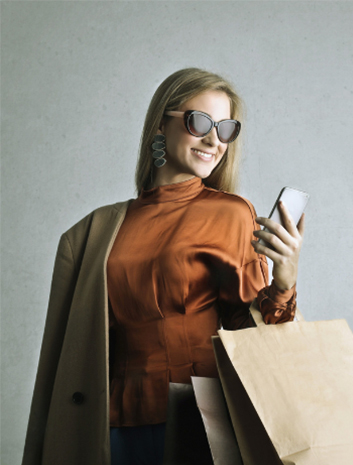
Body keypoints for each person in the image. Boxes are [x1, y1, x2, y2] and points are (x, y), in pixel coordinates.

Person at [22, 68, 305, 465]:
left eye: (225, 128)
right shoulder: (92, 232)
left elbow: (252, 333)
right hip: (112, 424)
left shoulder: (230, 213)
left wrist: (284, 284)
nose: (213, 139)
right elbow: (65, 353)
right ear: (161, 123)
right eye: (200, 122)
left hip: (203, 419)